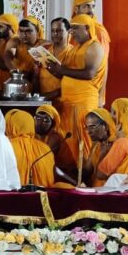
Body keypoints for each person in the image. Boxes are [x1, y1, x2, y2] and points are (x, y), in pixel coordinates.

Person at [46, 14, 106, 164]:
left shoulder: (94, 47)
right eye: (71, 29)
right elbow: (64, 74)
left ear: (87, 28)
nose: (72, 32)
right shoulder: (76, 49)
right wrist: (49, 67)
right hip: (68, 102)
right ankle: (71, 170)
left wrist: (61, 70)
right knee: (68, 139)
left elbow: (89, 73)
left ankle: (85, 171)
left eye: (75, 28)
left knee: (83, 139)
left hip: (83, 101)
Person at [82, 108, 128, 187]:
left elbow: (101, 174)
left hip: (110, 189)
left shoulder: (117, 143)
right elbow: (87, 171)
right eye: (87, 127)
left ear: (105, 126)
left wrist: (102, 154)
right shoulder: (97, 144)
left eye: (92, 127)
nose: (88, 131)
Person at [71, 0, 111, 105]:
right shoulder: (71, 30)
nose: (91, 10)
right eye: (86, 6)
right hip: (72, 91)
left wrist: (99, 96)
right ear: (76, 9)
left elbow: (102, 65)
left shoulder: (99, 31)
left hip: (91, 92)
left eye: (93, 6)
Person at [6, 110, 55, 187]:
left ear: (10, 125)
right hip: (44, 193)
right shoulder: (45, 148)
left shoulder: (6, 146)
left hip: (12, 193)